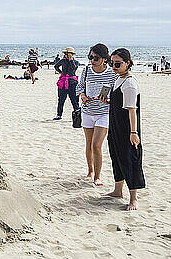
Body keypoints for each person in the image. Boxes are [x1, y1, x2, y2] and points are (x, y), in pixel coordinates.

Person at [98, 48, 144, 210]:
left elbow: (132, 110)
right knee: (116, 157)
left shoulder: (130, 83)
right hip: (115, 126)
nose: (114, 66)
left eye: (118, 64)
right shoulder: (119, 79)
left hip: (127, 129)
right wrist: (108, 102)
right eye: (111, 63)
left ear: (128, 63)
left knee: (130, 159)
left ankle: (133, 198)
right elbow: (121, 105)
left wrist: (134, 132)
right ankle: (118, 191)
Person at [76, 43, 117, 186]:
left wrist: (108, 100)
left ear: (105, 59)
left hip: (104, 113)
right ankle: (90, 171)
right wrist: (82, 95)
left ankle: (97, 177)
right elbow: (79, 86)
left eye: (96, 57)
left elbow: (116, 94)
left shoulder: (112, 73)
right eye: (90, 57)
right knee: (88, 144)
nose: (92, 60)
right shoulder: (86, 70)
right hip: (87, 111)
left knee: (96, 145)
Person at [53, 47, 80, 120]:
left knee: (74, 99)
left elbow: (73, 69)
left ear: (72, 54)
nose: (67, 55)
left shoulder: (76, 62)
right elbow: (56, 66)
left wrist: (71, 60)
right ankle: (59, 115)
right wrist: (61, 72)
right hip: (63, 82)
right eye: (66, 54)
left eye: (68, 54)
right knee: (61, 99)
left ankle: (77, 114)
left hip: (72, 82)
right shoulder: (62, 61)